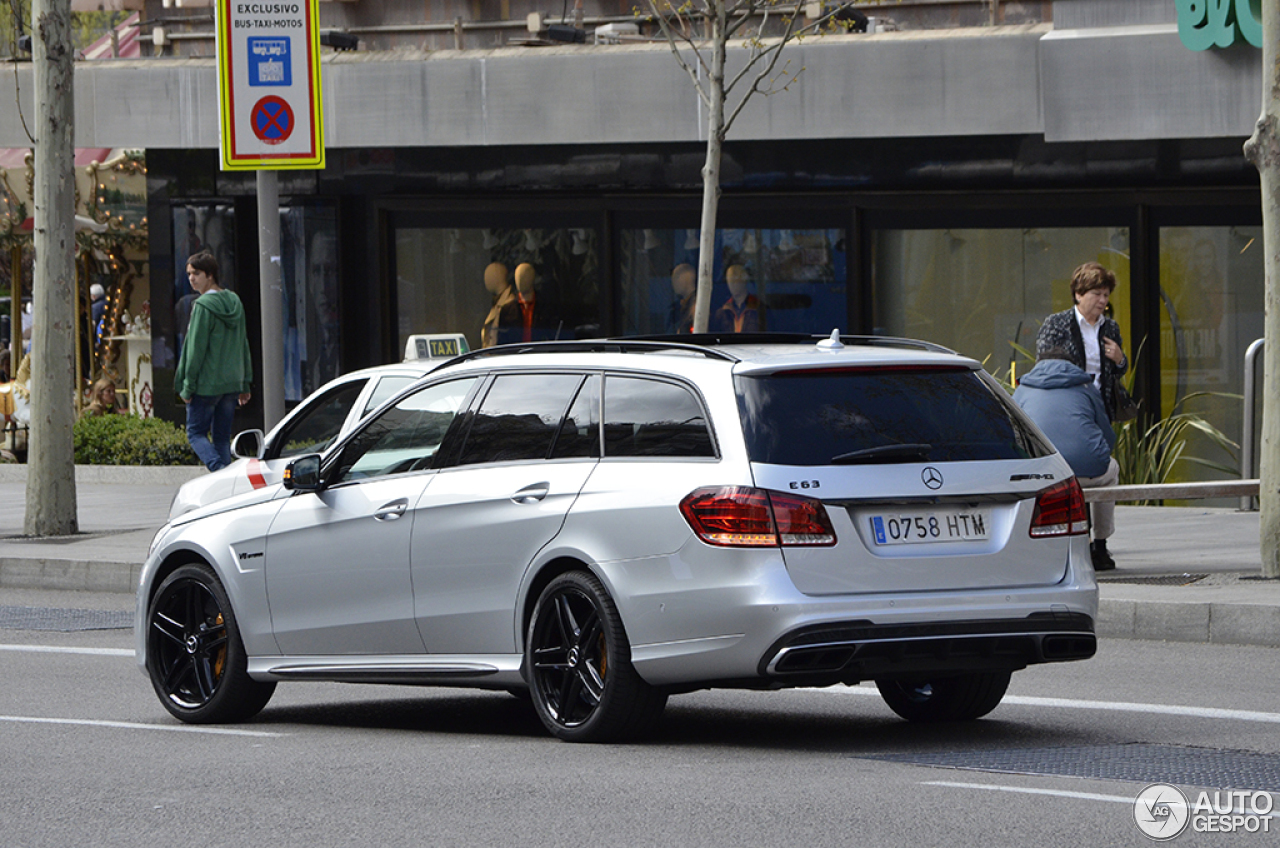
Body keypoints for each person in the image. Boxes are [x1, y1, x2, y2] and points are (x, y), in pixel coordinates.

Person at [1013, 348, 1119, 571]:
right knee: (1112, 470)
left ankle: (1044, 552)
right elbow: (1107, 435)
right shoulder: (1086, 387)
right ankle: (1100, 547)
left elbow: (1012, 433)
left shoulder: (1022, 390)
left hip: (1044, 475)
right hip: (1089, 471)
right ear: (1072, 364)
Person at [174, 251, 252, 471]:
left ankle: (219, 471)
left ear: (210, 275)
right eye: (189, 274)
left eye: (196, 273)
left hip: (206, 384)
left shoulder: (203, 306)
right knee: (221, 437)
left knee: (195, 433)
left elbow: (195, 349)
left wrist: (187, 386)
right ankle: (227, 486)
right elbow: (242, 343)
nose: (191, 278)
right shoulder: (234, 301)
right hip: (231, 383)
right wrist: (245, 382)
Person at [1035, 262, 1129, 421]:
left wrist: (1120, 360)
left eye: (1106, 295)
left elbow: (1118, 372)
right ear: (1079, 294)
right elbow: (1044, 367)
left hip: (1101, 409)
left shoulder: (1110, 327)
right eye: (1097, 294)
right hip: (1068, 409)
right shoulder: (1056, 324)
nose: (1102, 300)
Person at [713, 264, 762, 333]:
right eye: (729, 280)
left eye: (735, 279)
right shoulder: (722, 313)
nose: (732, 284)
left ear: (744, 280)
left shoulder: (760, 309)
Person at [480, 262, 514, 348]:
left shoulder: (509, 305)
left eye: (490, 276)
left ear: (498, 277)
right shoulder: (497, 303)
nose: (486, 280)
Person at [668, 264, 696, 334]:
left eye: (676, 278)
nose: (673, 282)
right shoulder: (683, 305)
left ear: (685, 279)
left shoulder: (695, 306)